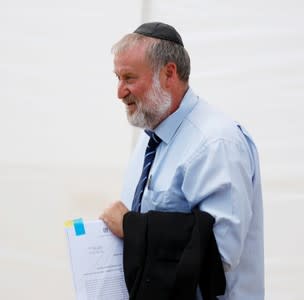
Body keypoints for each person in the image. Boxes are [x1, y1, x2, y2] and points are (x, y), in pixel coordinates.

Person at [100, 22, 264, 300]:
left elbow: (220, 252)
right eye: (117, 78)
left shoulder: (216, 143)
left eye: (129, 78)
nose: (119, 92)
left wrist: (130, 227)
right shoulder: (149, 137)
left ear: (169, 73)